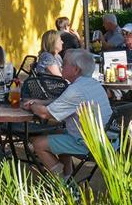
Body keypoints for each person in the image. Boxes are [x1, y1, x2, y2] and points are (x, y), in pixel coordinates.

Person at [22, 48, 113, 178]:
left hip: (90, 144)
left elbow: (45, 114)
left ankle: (65, 186)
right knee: (59, 133)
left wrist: (32, 105)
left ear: (76, 69)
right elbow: (64, 103)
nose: (61, 66)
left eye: (64, 64)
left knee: (37, 144)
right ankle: (67, 176)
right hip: (107, 140)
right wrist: (41, 102)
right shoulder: (94, 84)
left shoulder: (76, 90)